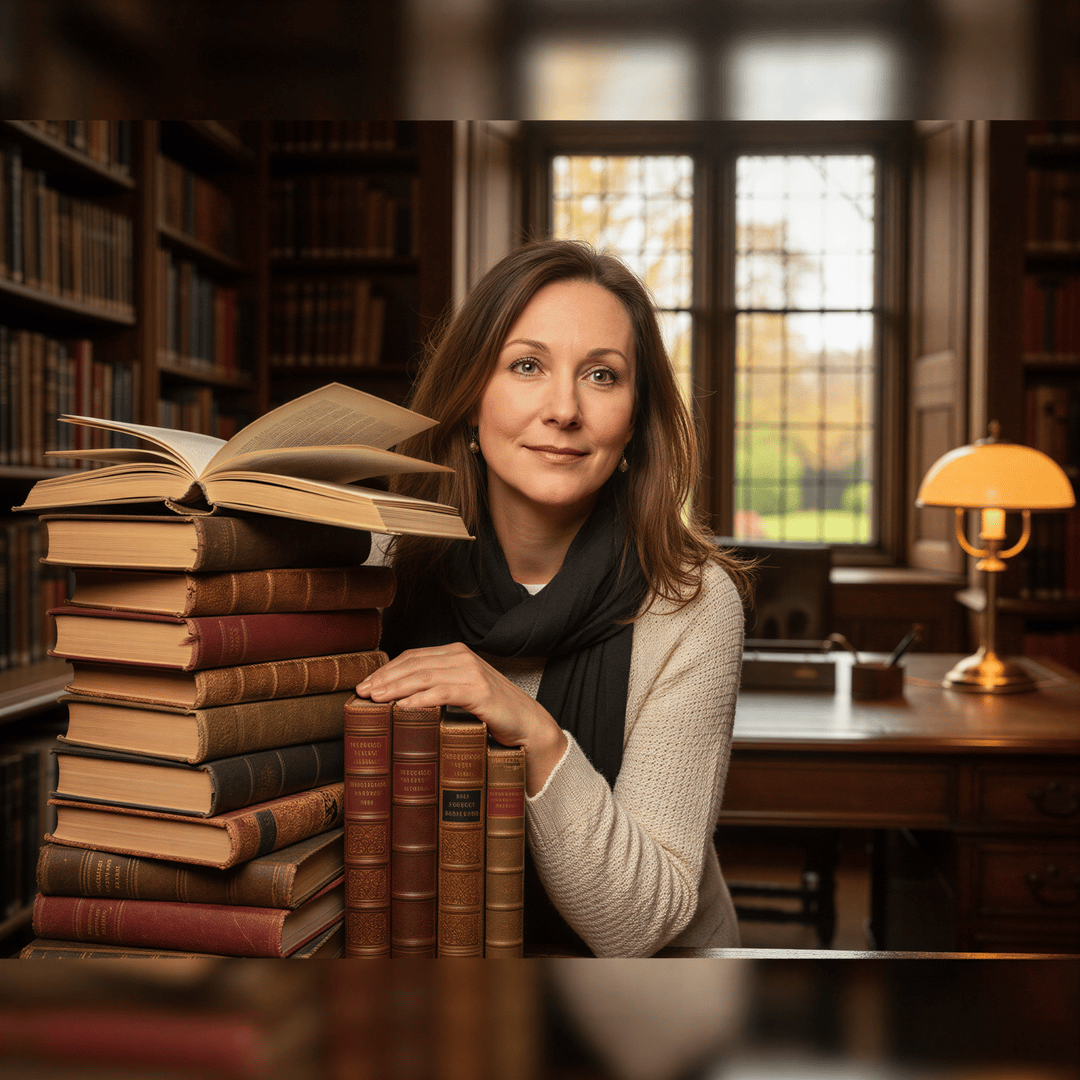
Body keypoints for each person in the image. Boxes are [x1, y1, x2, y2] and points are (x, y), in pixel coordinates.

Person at [356, 239, 751, 957]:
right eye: (527, 365)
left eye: (602, 375)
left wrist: (529, 730)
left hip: (647, 999)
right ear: (472, 399)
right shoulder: (375, 570)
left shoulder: (693, 602)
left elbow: (639, 923)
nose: (564, 409)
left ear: (635, 420)